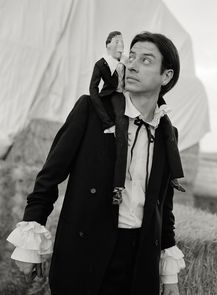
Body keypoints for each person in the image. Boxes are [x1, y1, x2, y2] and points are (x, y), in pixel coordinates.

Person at [7, 32, 185, 295]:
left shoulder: (167, 134)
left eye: (146, 60)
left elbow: (163, 205)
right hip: (85, 252)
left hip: (139, 264)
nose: (133, 64)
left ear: (166, 76)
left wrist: (168, 274)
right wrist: (29, 242)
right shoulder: (91, 110)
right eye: (132, 56)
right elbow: (49, 177)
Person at [89, 31, 128, 204]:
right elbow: (93, 89)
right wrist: (106, 120)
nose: (121, 45)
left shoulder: (127, 62)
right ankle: (117, 187)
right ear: (108, 45)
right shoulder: (101, 64)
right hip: (113, 96)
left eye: (122, 42)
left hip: (128, 96)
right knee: (121, 130)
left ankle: (119, 185)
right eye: (117, 41)